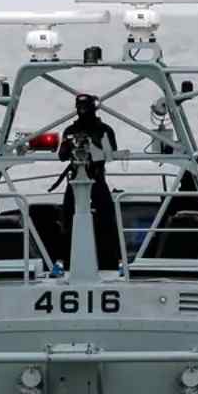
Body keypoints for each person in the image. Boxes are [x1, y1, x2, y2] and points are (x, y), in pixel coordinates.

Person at [58, 93, 122, 269]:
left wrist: (92, 144)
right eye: (80, 107)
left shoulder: (104, 130)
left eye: (85, 107)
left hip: (97, 178)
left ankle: (113, 260)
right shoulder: (70, 131)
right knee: (68, 218)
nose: (82, 111)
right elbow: (62, 155)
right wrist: (70, 145)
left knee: (107, 219)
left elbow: (110, 154)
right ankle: (65, 261)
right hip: (75, 179)